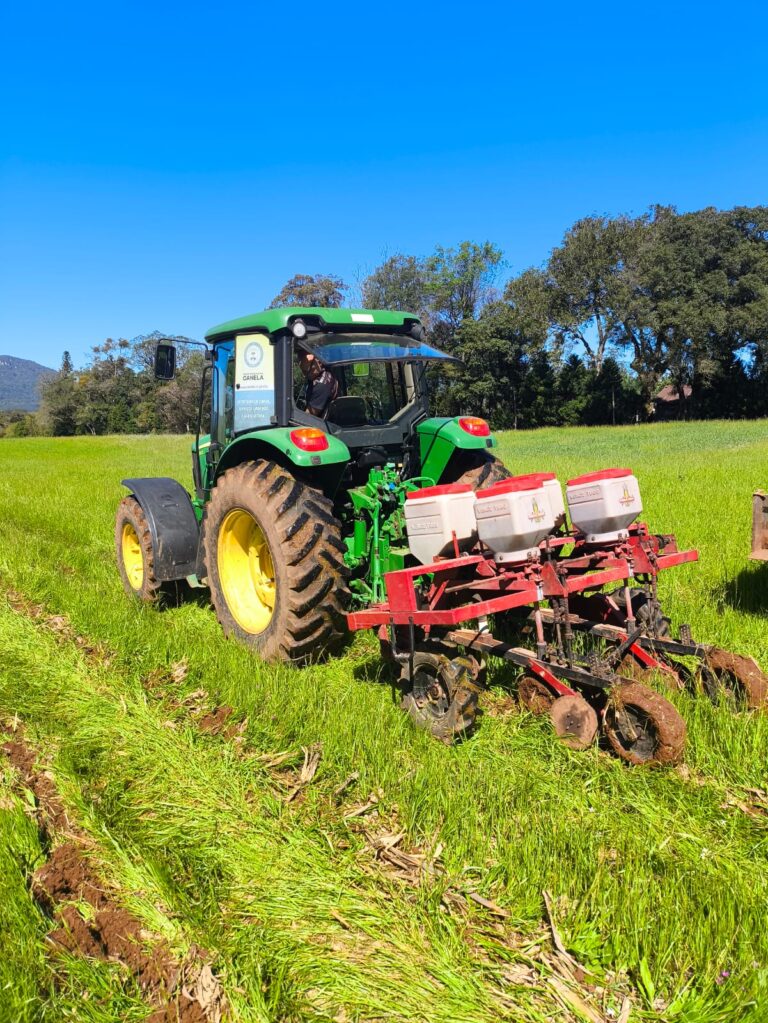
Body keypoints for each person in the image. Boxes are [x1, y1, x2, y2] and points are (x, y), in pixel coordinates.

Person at [297, 349, 339, 418]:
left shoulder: (321, 386)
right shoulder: (321, 374)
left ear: (318, 362)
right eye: (303, 371)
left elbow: (309, 417)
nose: (305, 375)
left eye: (309, 370)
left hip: (319, 425)